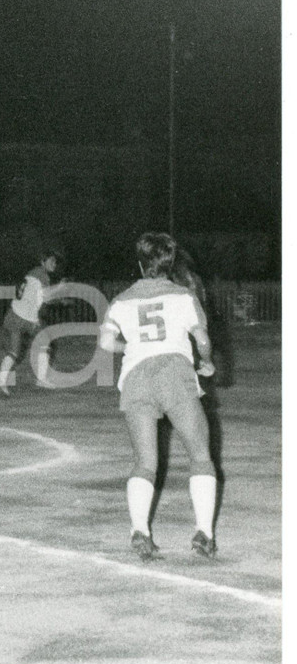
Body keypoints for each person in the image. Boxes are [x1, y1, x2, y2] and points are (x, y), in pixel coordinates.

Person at [98, 232, 218, 561]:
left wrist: (133, 347)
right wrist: (205, 362)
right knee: (200, 455)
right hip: (174, 377)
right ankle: (204, 534)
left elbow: (107, 344)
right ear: (170, 263)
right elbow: (203, 340)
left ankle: (140, 531)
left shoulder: (121, 300)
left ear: (140, 263)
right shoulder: (183, 296)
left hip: (136, 379)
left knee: (145, 462)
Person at [0, 249, 62, 394]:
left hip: (15, 313)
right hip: (25, 317)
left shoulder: (34, 272)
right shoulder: (42, 274)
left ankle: (1, 380)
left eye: (55, 262)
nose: (54, 264)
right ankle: (41, 379)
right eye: (52, 261)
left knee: (16, 351)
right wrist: (60, 291)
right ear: (42, 262)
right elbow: (47, 298)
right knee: (39, 344)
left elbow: (36, 296)